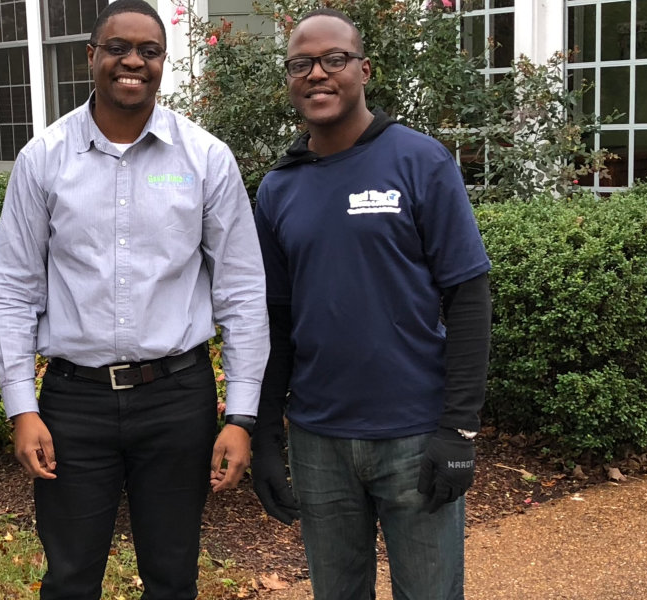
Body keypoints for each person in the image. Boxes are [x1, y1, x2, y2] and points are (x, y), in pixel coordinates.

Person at [0, 1, 269, 598]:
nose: (133, 62)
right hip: (73, 403)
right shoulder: (45, 158)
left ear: (164, 63)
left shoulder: (205, 158)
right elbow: (11, 287)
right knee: (69, 576)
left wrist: (241, 416)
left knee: (172, 574)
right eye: (118, 48)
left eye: (149, 51)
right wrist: (21, 405)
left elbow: (241, 290)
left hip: (176, 398)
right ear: (91, 56)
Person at [247, 8, 493, 600]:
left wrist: (459, 429)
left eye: (334, 60)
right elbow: (274, 321)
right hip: (317, 437)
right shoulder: (279, 188)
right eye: (300, 64)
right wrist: (264, 437)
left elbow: (467, 295)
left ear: (364, 70)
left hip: (413, 433)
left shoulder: (419, 161)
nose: (317, 74)